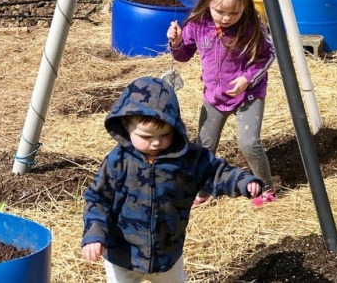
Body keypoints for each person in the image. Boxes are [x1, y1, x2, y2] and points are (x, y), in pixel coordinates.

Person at [82, 76, 263, 283]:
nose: (156, 143)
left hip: (167, 254)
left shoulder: (188, 159)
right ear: (125, 124)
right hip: (123, 254)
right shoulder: (118, 162)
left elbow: (217, 171)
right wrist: (94, 234)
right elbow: (97, 199)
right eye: (146, 137)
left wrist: (243, 181)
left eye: (165, 134)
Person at [167, 0, 276, 208]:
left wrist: (247, 80)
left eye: (233, 12)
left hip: (248, 95)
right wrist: (176, 42)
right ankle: (204, 189)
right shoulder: (198, 23)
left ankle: (266, 187)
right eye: (220, 11)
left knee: (249, 143)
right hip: (214, 96)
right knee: (204, 146)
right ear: (208, 1)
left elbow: (268, 55)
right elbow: (183, 55)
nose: (226, 18)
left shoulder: (251, 25)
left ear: (244, 6)